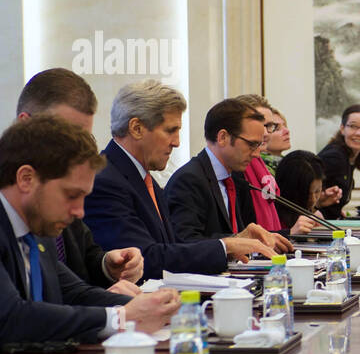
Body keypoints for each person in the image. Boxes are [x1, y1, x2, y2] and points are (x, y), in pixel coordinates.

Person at [0, 117, 180, 354]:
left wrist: (155, 309)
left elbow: (73, 293)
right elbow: (10, 319)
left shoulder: (33, 224)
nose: (80, 211)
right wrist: (120, 318)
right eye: (71, 195)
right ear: (26, 179)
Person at [0, 67, 144, 295]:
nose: (76, 148)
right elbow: (6, 309)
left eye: (83, 137)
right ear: (24, 123)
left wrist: (106, 264)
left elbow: (75, 260)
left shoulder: (62, 183)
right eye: (64, 134)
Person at [85, 81, 279, 277]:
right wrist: (224, 246)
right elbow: (144, 259)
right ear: (136, 128)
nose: (177, 142)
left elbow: (174, 247)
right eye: (170, 130)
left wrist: (233, 242)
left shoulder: (144, 179)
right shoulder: (105, 181)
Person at [165, 100, 294, 250]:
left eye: (259, 145)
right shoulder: (189, 180)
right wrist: (236, 241)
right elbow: (185, 243)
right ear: (223, 138)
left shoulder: (233, 179)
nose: (257, 153)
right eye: (251, 144)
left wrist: (274, 237)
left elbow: (237, 235)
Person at [236, 94, 284, 233]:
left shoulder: (260, 164)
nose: (265, 133)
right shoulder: (236, 167)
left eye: (269, 126)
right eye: (258, 125)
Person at [318, 104, 360, 219]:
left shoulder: (349, 158)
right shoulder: (334, 157)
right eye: (353, 126)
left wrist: (337, 212)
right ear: (342, 128)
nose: (358, 133)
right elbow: (308, 198)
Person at [274, 151, 328, 234]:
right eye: (306, 193)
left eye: (317, 191)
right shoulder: (275, 217)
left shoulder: (313, 215)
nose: (313, 200)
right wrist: (290, 233)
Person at [262, 107, 291, 173]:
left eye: (285, 125)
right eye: (277, 128)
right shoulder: (259, 169)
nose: (287, 131)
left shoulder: (287, 163)